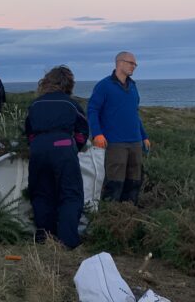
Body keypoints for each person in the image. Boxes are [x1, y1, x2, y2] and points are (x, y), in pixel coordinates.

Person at [24, 65, 89, 248]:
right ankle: (68, 241)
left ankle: (45, 238)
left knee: (41, 193)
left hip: (38, 149)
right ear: (69, 84)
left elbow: (28, 132)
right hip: (63, 147)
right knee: (70, 194)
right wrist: (73, 147)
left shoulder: (35, 104)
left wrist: (38, 145)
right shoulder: (71, 104)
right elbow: (83, 131)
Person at [87, 51, 150, 204]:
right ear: (120, 63)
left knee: (134, 181)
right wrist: (97, 134)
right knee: (115, 183)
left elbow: (134, 113)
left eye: (135, 64)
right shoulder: (104, 86)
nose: (134, 67)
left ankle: (129, 214)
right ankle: (111, 216)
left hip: (135, 142)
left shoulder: (133, 86)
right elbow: (92, 110)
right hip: (115, 143)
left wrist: (144, 136)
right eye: (131, 63)